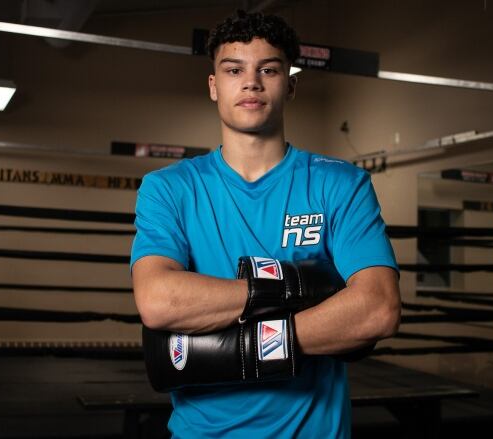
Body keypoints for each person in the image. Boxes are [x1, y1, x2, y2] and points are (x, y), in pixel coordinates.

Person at [130, 10, 400, 438]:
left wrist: (246, 343)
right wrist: (306, 293)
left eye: (268, 69)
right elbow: (159, 300)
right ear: (214, 87)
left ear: (290, 84)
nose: (251, 82)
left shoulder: (341, 184)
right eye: (234, 69)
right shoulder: (168, 188)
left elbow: (377, 309)